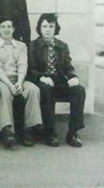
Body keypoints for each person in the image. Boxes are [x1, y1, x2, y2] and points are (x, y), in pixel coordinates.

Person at [27, 14, 85, 148]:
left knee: (79, 90)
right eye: (44, 26)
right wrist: (42, 77)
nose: (47, 29)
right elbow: (31, 68)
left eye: (51, 26)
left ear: (55, 28)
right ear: (40, 28)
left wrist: (73, 77)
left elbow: (68, 66)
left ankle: (73, 132)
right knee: (46, 90)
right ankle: (50, 132)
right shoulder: (33, 45)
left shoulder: (62, 46)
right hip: (41, 80)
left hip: (59, 81)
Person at [0, 18, 42, 148]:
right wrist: (10, 85)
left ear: (13, 29)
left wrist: (19, 83)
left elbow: (22, 65)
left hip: (19, 79)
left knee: (33, 89)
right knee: (4, 93)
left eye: (9, 26)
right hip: (2, 79)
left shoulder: (21, 46)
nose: (6, 29)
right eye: (3, 27)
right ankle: (7, 131)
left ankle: (29, 129)